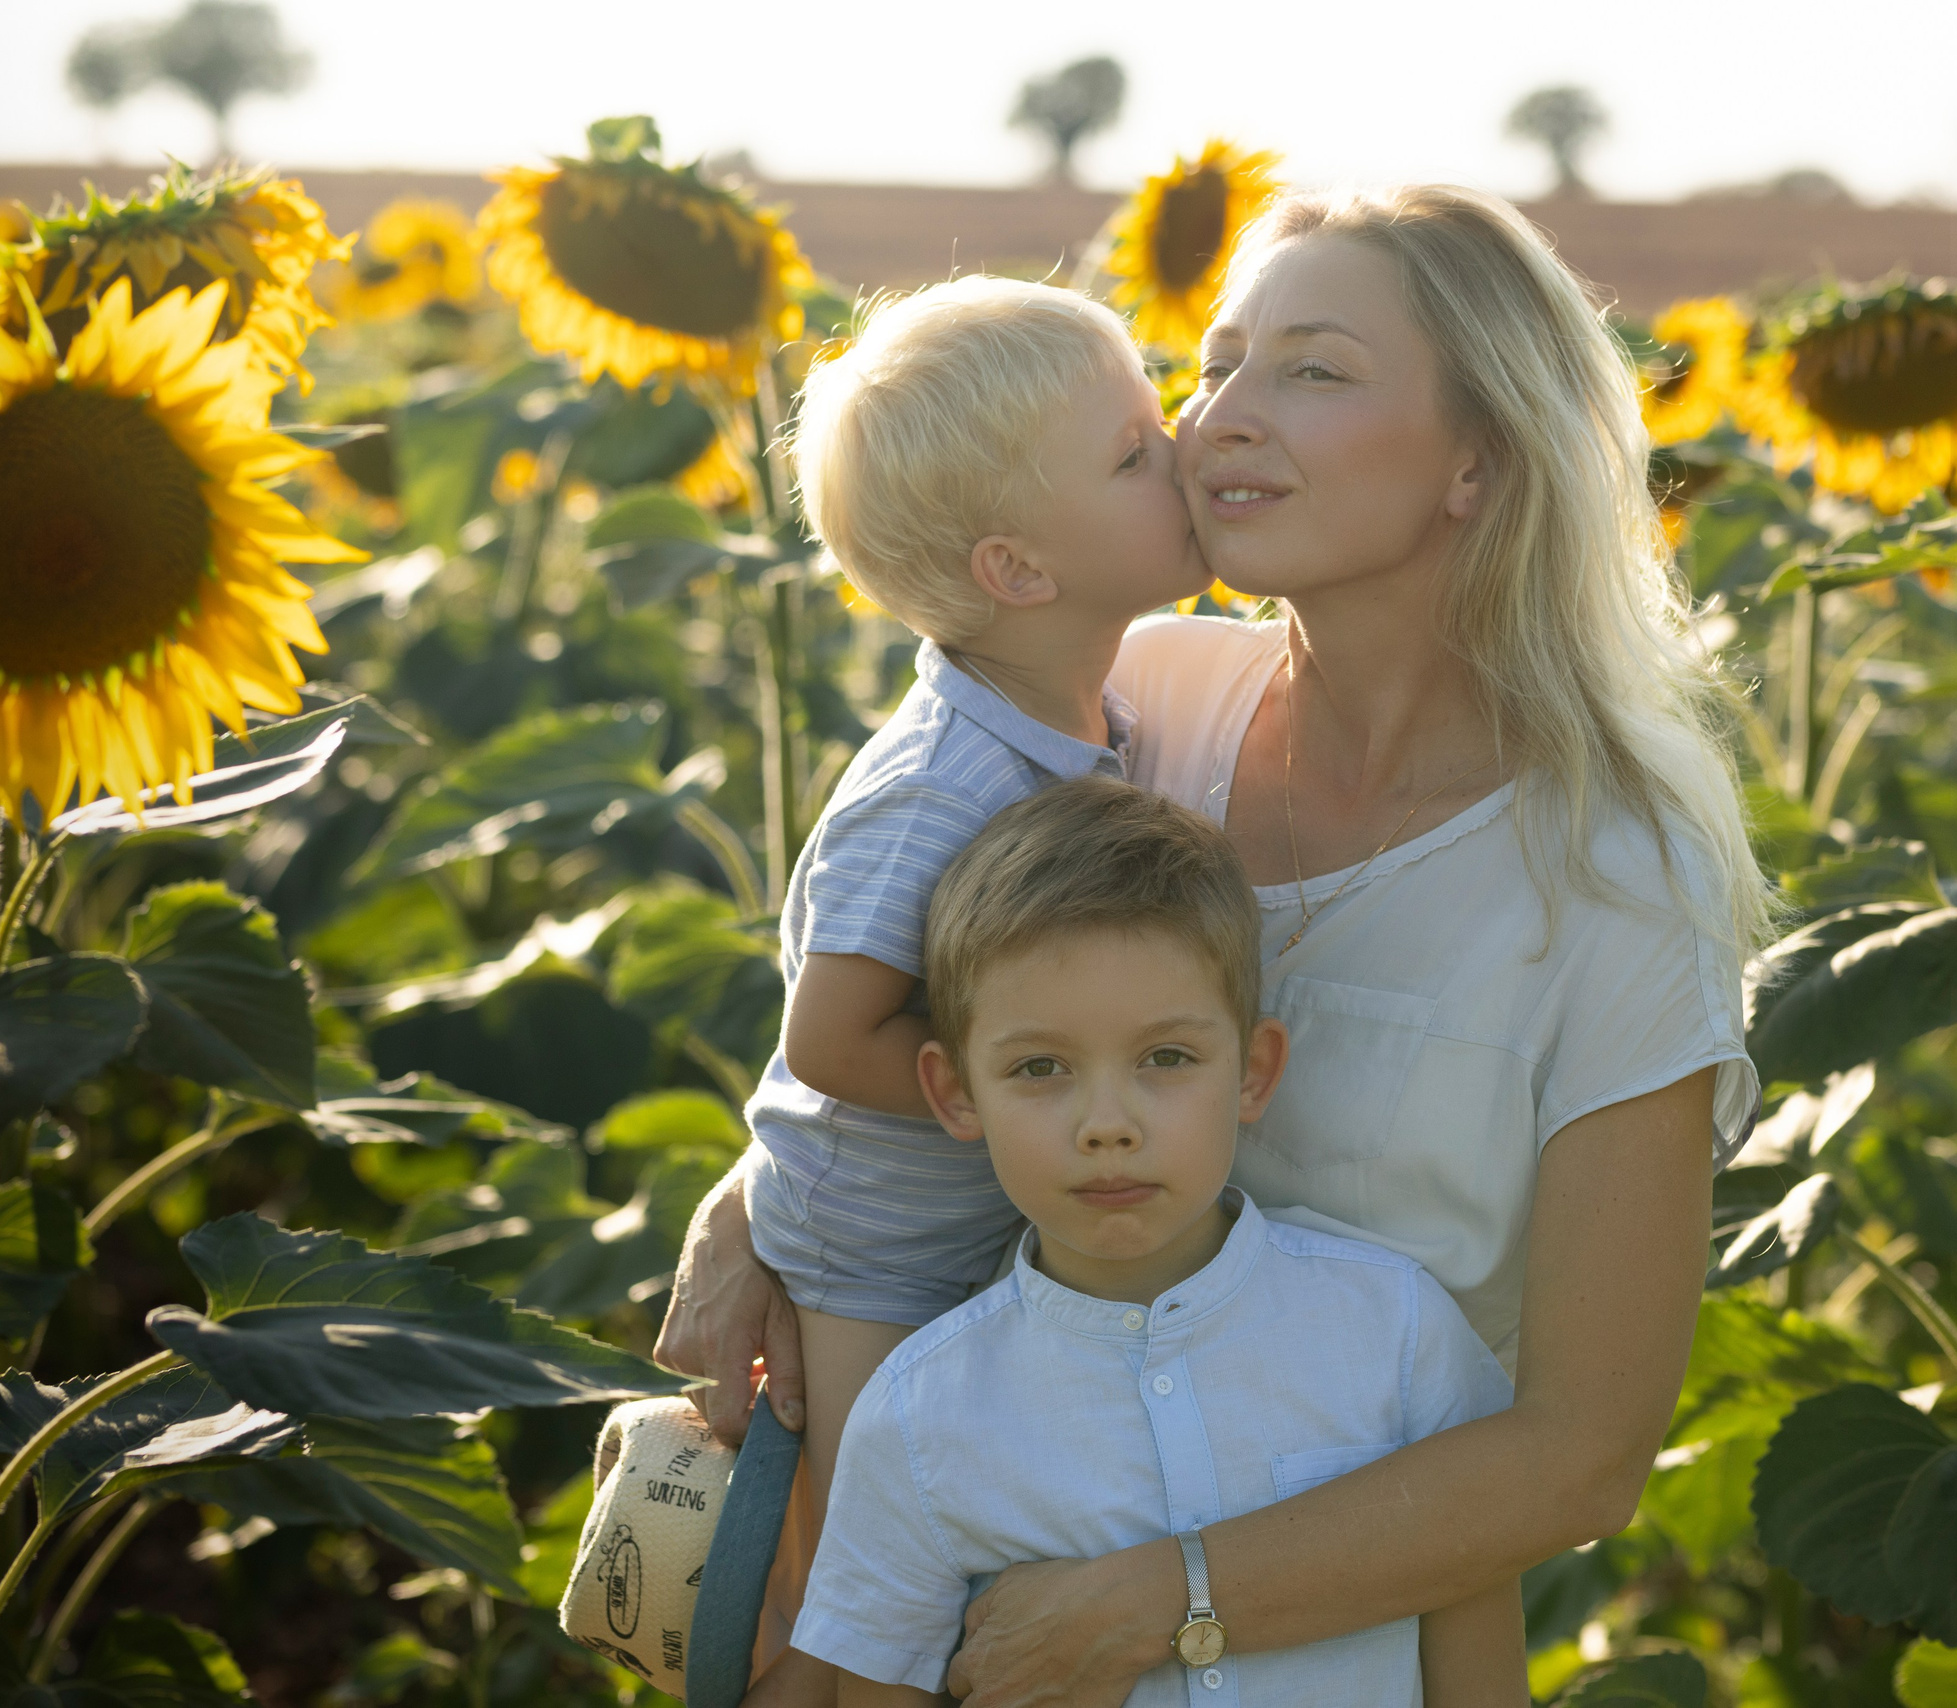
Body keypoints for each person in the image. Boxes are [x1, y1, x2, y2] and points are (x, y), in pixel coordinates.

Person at [661, 183, 1772, 1707]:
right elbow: (912, 1007)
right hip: (981, 1571)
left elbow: (1578, 1460)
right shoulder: (1135, 702)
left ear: (1479, 459)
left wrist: (1160, 1607)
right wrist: (750, 1209)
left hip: (1339, 1652)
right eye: (1218, 362)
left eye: (1312, 369)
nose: (1220, 418)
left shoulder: (1614, 869)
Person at [747, 777, 1525, 1707]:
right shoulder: (914, 1421)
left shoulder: (1396, 1333)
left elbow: (1478, 1646)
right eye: (1041, 1068)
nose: (1106, 1125)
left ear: (1255, 1069)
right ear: (954, 1092)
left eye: (1165, 1058)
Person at [737, 272, 1210, 1652]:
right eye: (1133, 453)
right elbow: (828, 1034)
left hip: (967, 1212)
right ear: (1017, 570)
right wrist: (1025, 1103)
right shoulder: (944, 782)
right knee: (873, 1579)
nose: (1182, 451)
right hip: (873, 1245)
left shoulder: (1083, 719)